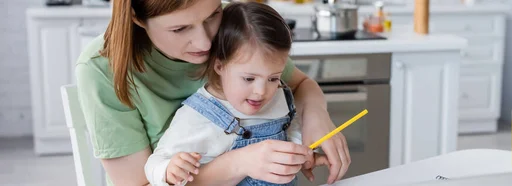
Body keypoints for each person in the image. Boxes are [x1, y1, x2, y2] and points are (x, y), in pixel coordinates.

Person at [74, 0, 351, 185]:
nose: (206, 42)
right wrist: (240, 163)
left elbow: (300, 85)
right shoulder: (101, 70)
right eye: (180, 28)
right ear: (137, 17)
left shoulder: (234, 26)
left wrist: (314, 118)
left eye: (212, 15)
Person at [144, 2, 308, 185]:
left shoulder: (279, 95)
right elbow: (154, 163)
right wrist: (169, 170)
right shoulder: (198, 116)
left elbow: (291, 129)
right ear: (220, 66)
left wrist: (303, 153)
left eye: (273, 78)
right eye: (249, 79)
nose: (262, 92)